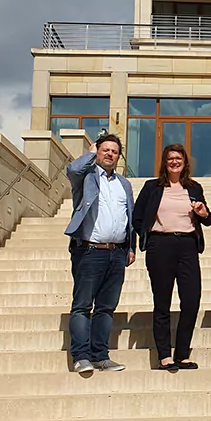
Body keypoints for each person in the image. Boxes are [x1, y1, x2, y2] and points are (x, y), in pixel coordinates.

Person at [131, 144, 211, 371]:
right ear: (165, 162)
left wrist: (203, 213)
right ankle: (165, 355)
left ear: (185, 162)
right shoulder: (152, 187)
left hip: (187, 246)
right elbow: (137, 218)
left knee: (191, 300)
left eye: (179, 158)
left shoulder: (194, 187)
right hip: (160, 245)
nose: (174, 162)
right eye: (170, 158)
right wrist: (149, 235)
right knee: (162, 302)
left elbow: (207, 218)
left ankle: (182, 354)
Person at [65, 133, 135, 376]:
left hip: (116, 253)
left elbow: (130, 218)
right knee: (83, 305)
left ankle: (101, 356)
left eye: (114, 151)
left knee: (106, 308)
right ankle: (81, 356)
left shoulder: (124, 184)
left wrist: (131, 247)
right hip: (90, 250)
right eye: (105, 150)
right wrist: (92, 152)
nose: (110, 154)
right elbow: (72, 169)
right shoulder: (85, 177)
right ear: (98, 151)